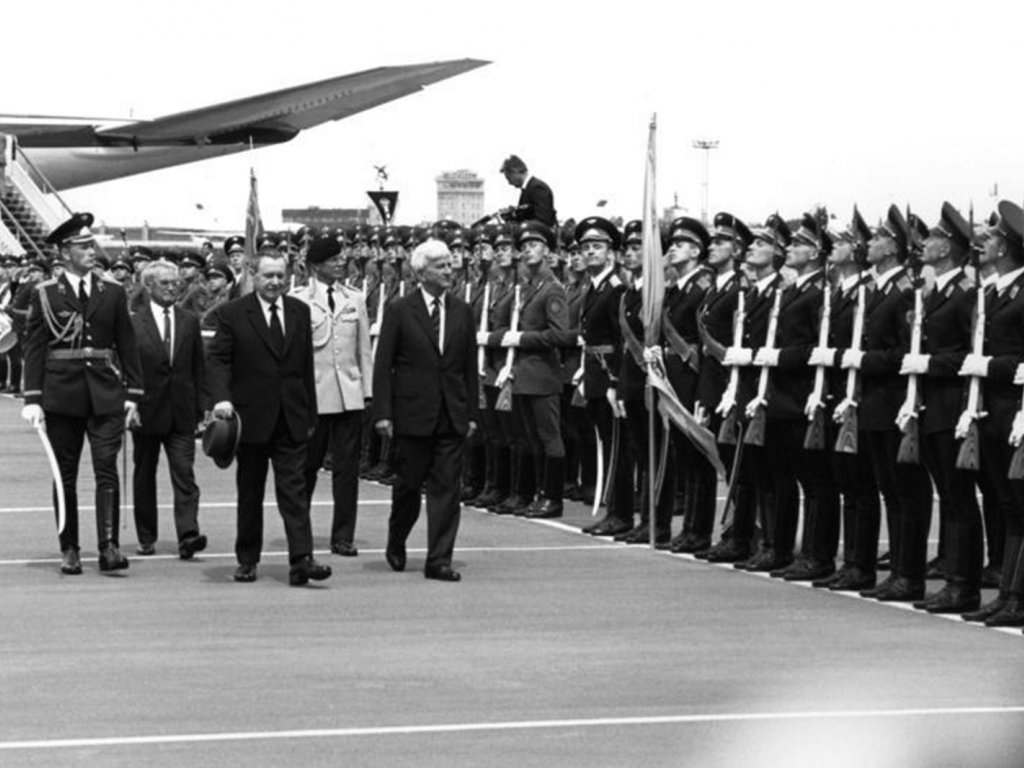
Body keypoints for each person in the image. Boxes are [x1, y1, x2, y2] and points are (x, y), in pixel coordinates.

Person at [20, 212, 144, 575]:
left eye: (91, 245)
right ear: (64, 252)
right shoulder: (45, 294)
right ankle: (70, 548)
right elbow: (35, 348)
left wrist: (133, 393)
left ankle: (108, 547)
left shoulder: (114, 292)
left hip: (105, 392)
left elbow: (127, 343)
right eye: (82, 246)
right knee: (66, 474)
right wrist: (32, 398)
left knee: (107, 470)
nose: (91, 251)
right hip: (62, 394)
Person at [206, 249, 331, 587]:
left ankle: (301, 559)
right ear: (253, 275)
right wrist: (221, 400)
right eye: (268, 276)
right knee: (250, 492)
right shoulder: (232, 313)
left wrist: (309, 413)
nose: (275, 282)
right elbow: (218, 361)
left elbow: (305, 366)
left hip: (291, 417)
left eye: (280, 275)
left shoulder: (299, 311)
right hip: (250, 418)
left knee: (294, 491)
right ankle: (247, 559)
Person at [372, 238, 479, 582]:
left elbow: (467, 365)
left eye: (450, 264)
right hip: (412, 414)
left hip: (451, 414)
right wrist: (383, 413)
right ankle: (397, 537)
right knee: (408, 486)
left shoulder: (462, 310)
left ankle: (439, 559)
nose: (449, 271)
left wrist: (472, 413)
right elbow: (383, 365)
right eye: (440, 266)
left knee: (447, 490)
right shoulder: (400, 310)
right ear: (421, 271)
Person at [292, 235, 373, 557]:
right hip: (314, 396)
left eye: (342, 258)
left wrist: (367, 393)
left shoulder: (354, 298)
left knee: (347, 471)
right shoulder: (298, 299)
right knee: (306, 469)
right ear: (315, 265)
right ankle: (301, 532)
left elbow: (363, 350)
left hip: (348, 394)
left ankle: (343, 535)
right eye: (333, 259)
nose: (341, 263)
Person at [129, 261, 208, 560]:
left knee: (184, 473)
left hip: (182, 412)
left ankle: (188, 534)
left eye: (176, 283)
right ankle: (146, 536)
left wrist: (204, 409)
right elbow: (126, 368)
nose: (173, 288)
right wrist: (129, 403)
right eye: (165, 283)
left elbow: (198, 367)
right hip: (146, 411)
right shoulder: (134, 323)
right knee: (144, 475)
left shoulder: (189, 320)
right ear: (149, 286)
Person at [499, 154, 557, 227]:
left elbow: (543, 220)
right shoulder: (529, 188)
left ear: (515, 171)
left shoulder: (537, 188)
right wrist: (512, 215)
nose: (509, 183)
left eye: (508, 178)